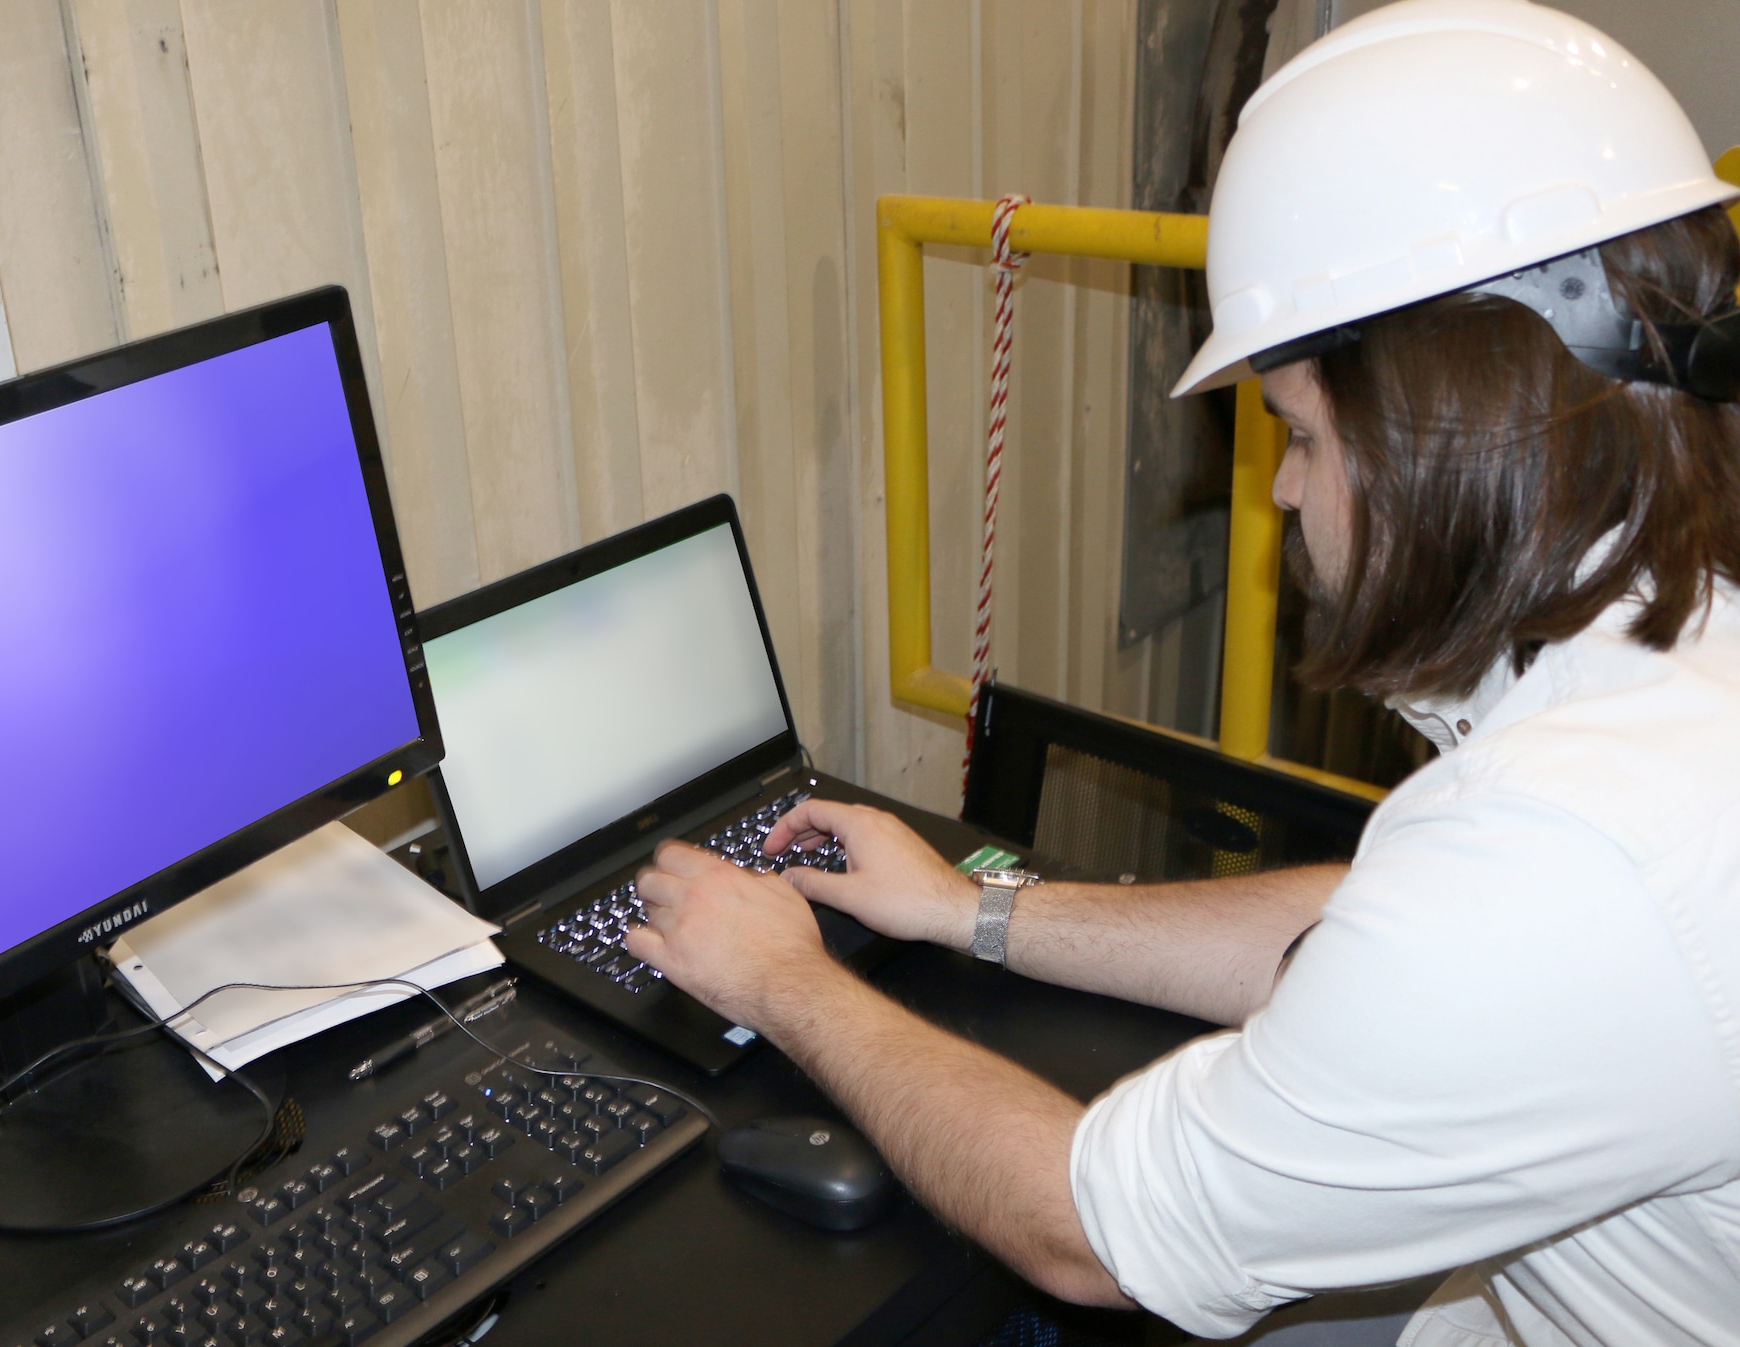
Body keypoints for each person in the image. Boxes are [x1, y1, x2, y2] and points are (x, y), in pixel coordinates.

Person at [623, 2, 1740, 1343]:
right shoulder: (1666, 659)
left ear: (1438, 431)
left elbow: (1083, 1227)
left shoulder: (1565, 857)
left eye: (1299, 436)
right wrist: (975, 911)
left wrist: (784, 983)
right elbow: (1372, 921)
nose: (1280, 497)